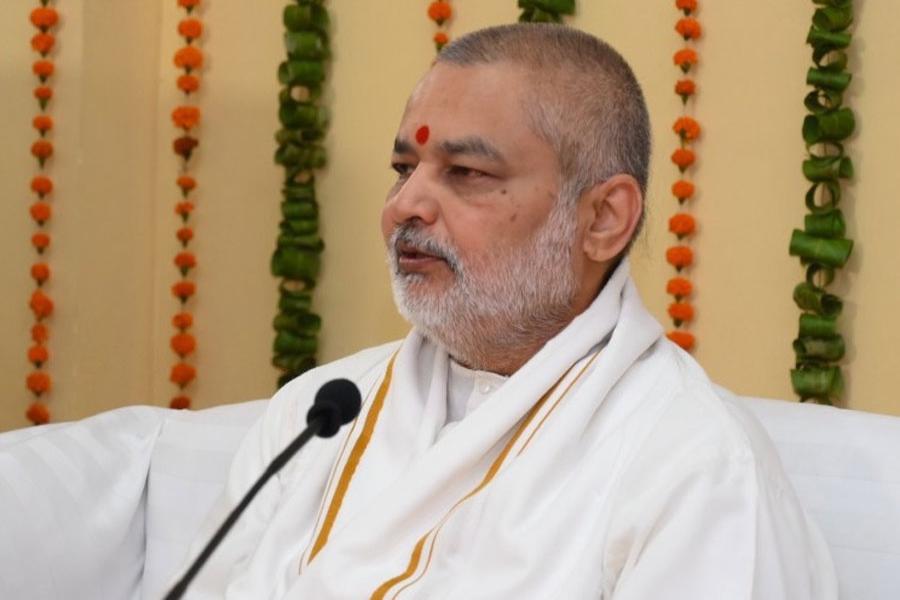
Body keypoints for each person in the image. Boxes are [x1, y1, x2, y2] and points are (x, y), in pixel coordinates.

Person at [185, 24, 837, 599]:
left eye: (465, 172)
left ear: (604, 219)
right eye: (402, 167)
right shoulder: (319, 412)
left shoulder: (694, 465)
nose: (404, 206)